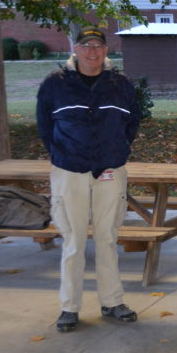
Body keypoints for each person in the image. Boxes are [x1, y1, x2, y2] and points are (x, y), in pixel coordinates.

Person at [37, 28, 140, 333]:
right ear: (76, 49)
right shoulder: (55, 85)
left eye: (98, 46)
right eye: (86, 46)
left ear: (107, 50)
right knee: (74, 241)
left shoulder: (120, 84)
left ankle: (112, 301)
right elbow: (44, 126)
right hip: (70, 171)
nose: (93, 51)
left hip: (110, 170)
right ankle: (70, 306)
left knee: (108, 237)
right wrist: (66, 154)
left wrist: (114, 151)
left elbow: (131, 122)